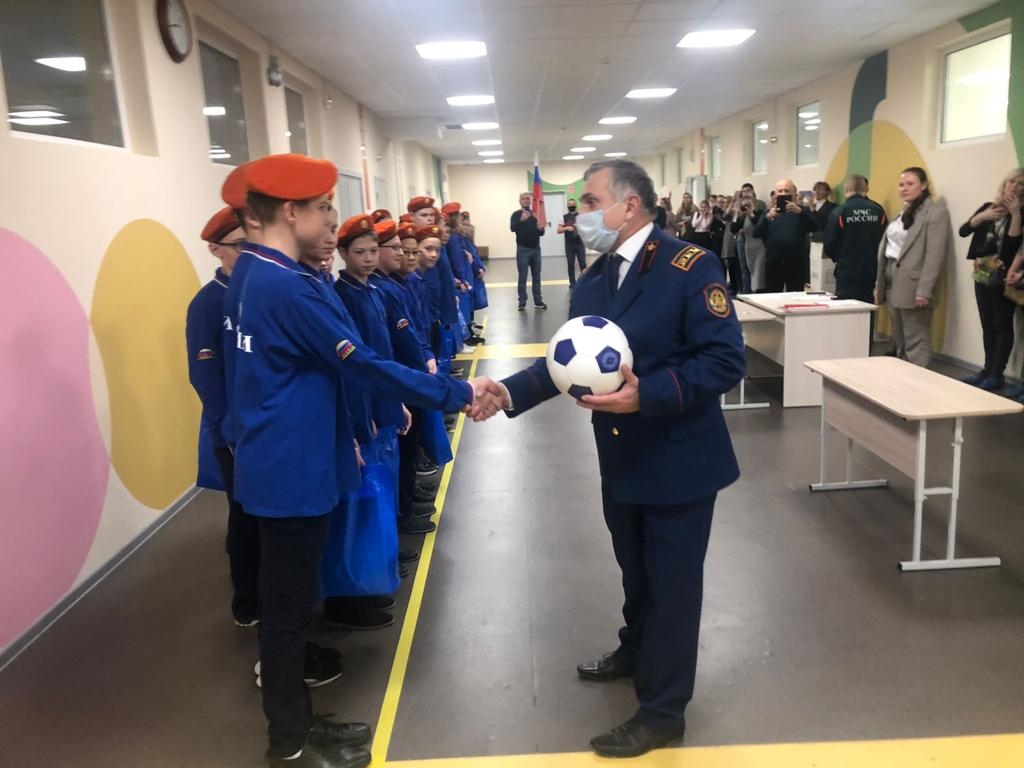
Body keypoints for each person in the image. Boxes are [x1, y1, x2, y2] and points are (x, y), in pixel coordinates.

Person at [470, 159, 745, 759]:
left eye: (591, 202)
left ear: (630, 206)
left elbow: (725, 361)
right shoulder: (596, 280)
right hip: (621, 455)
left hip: (679, 458)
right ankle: (637, 648)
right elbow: (568, 360)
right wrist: (506, 392)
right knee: (636, 569)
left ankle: (663, 712)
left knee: (672, 586)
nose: (580, 215)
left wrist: (649, 394)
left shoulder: (690, 266)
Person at [229, 153, 487, 768]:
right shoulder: (288, 287)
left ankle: (295, 723)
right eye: (322, 208)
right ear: (288, 211)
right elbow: (364, 364)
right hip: (294, 469)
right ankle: (291, 740)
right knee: (289, 609)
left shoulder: (253, 273)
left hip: (276, 459)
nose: (331, 220)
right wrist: (457, 392)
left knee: (289, 603)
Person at [186, 206, 260, 627]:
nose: (249, 252)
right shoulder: (208, 302)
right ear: (216, 250)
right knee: (245, 515)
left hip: (263, 425)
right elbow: (205, 374)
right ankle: (247, 603)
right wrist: (229, 429)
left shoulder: (258, 292)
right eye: (239, 246)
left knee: (264, 514)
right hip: (233, 432)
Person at [873, 167, 951, 367]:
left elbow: (934, 255)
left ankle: (918, 376)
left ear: (923, 185)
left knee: (916, 336)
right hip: (892, 280)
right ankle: (903, 373)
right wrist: (879, 284)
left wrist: (924, 290)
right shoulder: (904, 211)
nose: (904, 188)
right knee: (899, 337)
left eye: (910, 184)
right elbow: (890, 247)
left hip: (914, 283)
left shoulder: (935, 212)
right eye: (901, 184)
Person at [957, 168, 1023, 390]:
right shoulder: (988, 207)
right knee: (987, 324)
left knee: (1001, 323)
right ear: (1004, 184)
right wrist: (982, 217)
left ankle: (997, 373)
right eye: (1011, 182)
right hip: (982, 273)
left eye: (1020, 184)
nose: (1014, 187)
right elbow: (963, 231)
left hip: (1004, 276)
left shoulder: (1020, 214)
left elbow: (1012, 249)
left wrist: (1015, 215)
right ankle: (987, 368)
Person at [823, 174, 887, 302]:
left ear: (846, 190)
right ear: (865, 189)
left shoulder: (839, 212)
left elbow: (829, 243)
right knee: (868, 307)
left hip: (847, 270)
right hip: (872, 269)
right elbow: (885, 239)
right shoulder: (878, 210)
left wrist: (839, 258)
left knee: (848, 308)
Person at [753, 178, 817, 291]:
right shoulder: (768, 213)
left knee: (796, 296)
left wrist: (800, 212)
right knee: (773, 296)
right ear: (775, 194)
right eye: (780, 191)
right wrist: (767, 218)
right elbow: (756, 233)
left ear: (794, 193)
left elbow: (815, 227)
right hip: (774, 262)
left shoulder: (802, 211)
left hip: (796, 262)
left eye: (787, 191)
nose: (783, 194)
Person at [511, 191, 547, 310]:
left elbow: (541, 232)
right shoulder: (516, 215)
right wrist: (521, 220)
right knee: (522, 277)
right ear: (520, 201)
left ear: (531, 200)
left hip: (536, 249)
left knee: (537, 277)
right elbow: (512, 228)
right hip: (523, 250)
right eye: (524, 199)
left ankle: (538, 301)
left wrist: (541, 229)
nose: (526, 200)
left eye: (528, 198)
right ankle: (522, 302)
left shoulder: (535, 214)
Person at [558, 197, 587, 287]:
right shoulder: (563, 217)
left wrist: (578, 227)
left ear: (576, 205)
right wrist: (567, 228)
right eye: (570, 205)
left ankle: (584, 281)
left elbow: (587, 229)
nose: (571, 206)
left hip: (580, 244)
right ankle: (572, 282)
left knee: (582, 263)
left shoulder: (581, 216)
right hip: (569, 245)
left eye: (573, 204)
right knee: (570, 264)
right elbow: (558, 230)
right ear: (567, 206)